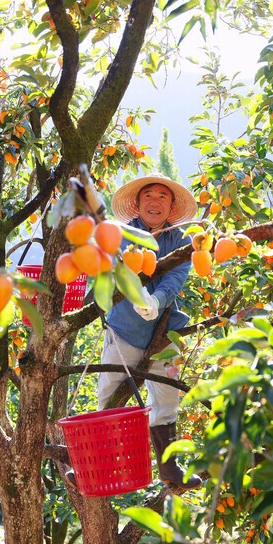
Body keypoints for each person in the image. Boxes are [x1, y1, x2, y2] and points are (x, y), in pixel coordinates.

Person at [98, 173, 202, 491]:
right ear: (138, 204)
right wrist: (135, 293)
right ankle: (99, 467)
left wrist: (155, 301)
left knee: (168, 397)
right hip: (125, 327)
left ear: (171, 207)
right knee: (109, 396)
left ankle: (169, 467)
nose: (155, 201)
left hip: (165, 331)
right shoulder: (122, 234)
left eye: (162, 196)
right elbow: (114, 270)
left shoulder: (182, 240)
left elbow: (176, 279)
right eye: (149, 196)